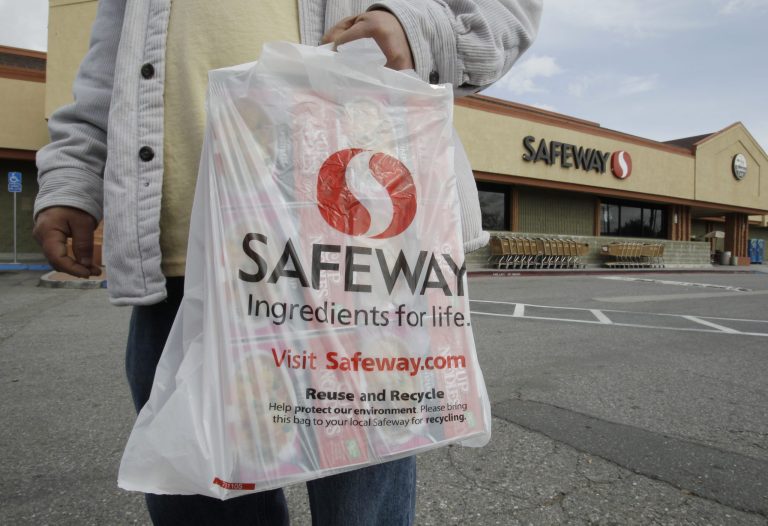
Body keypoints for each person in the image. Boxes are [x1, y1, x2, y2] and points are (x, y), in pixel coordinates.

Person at [33, 1, 542, 525]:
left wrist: (420, 28)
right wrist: (73, 176)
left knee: (362, 508)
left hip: (349, 267)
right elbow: (105, 76)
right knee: (202, 502)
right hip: (184, 260)